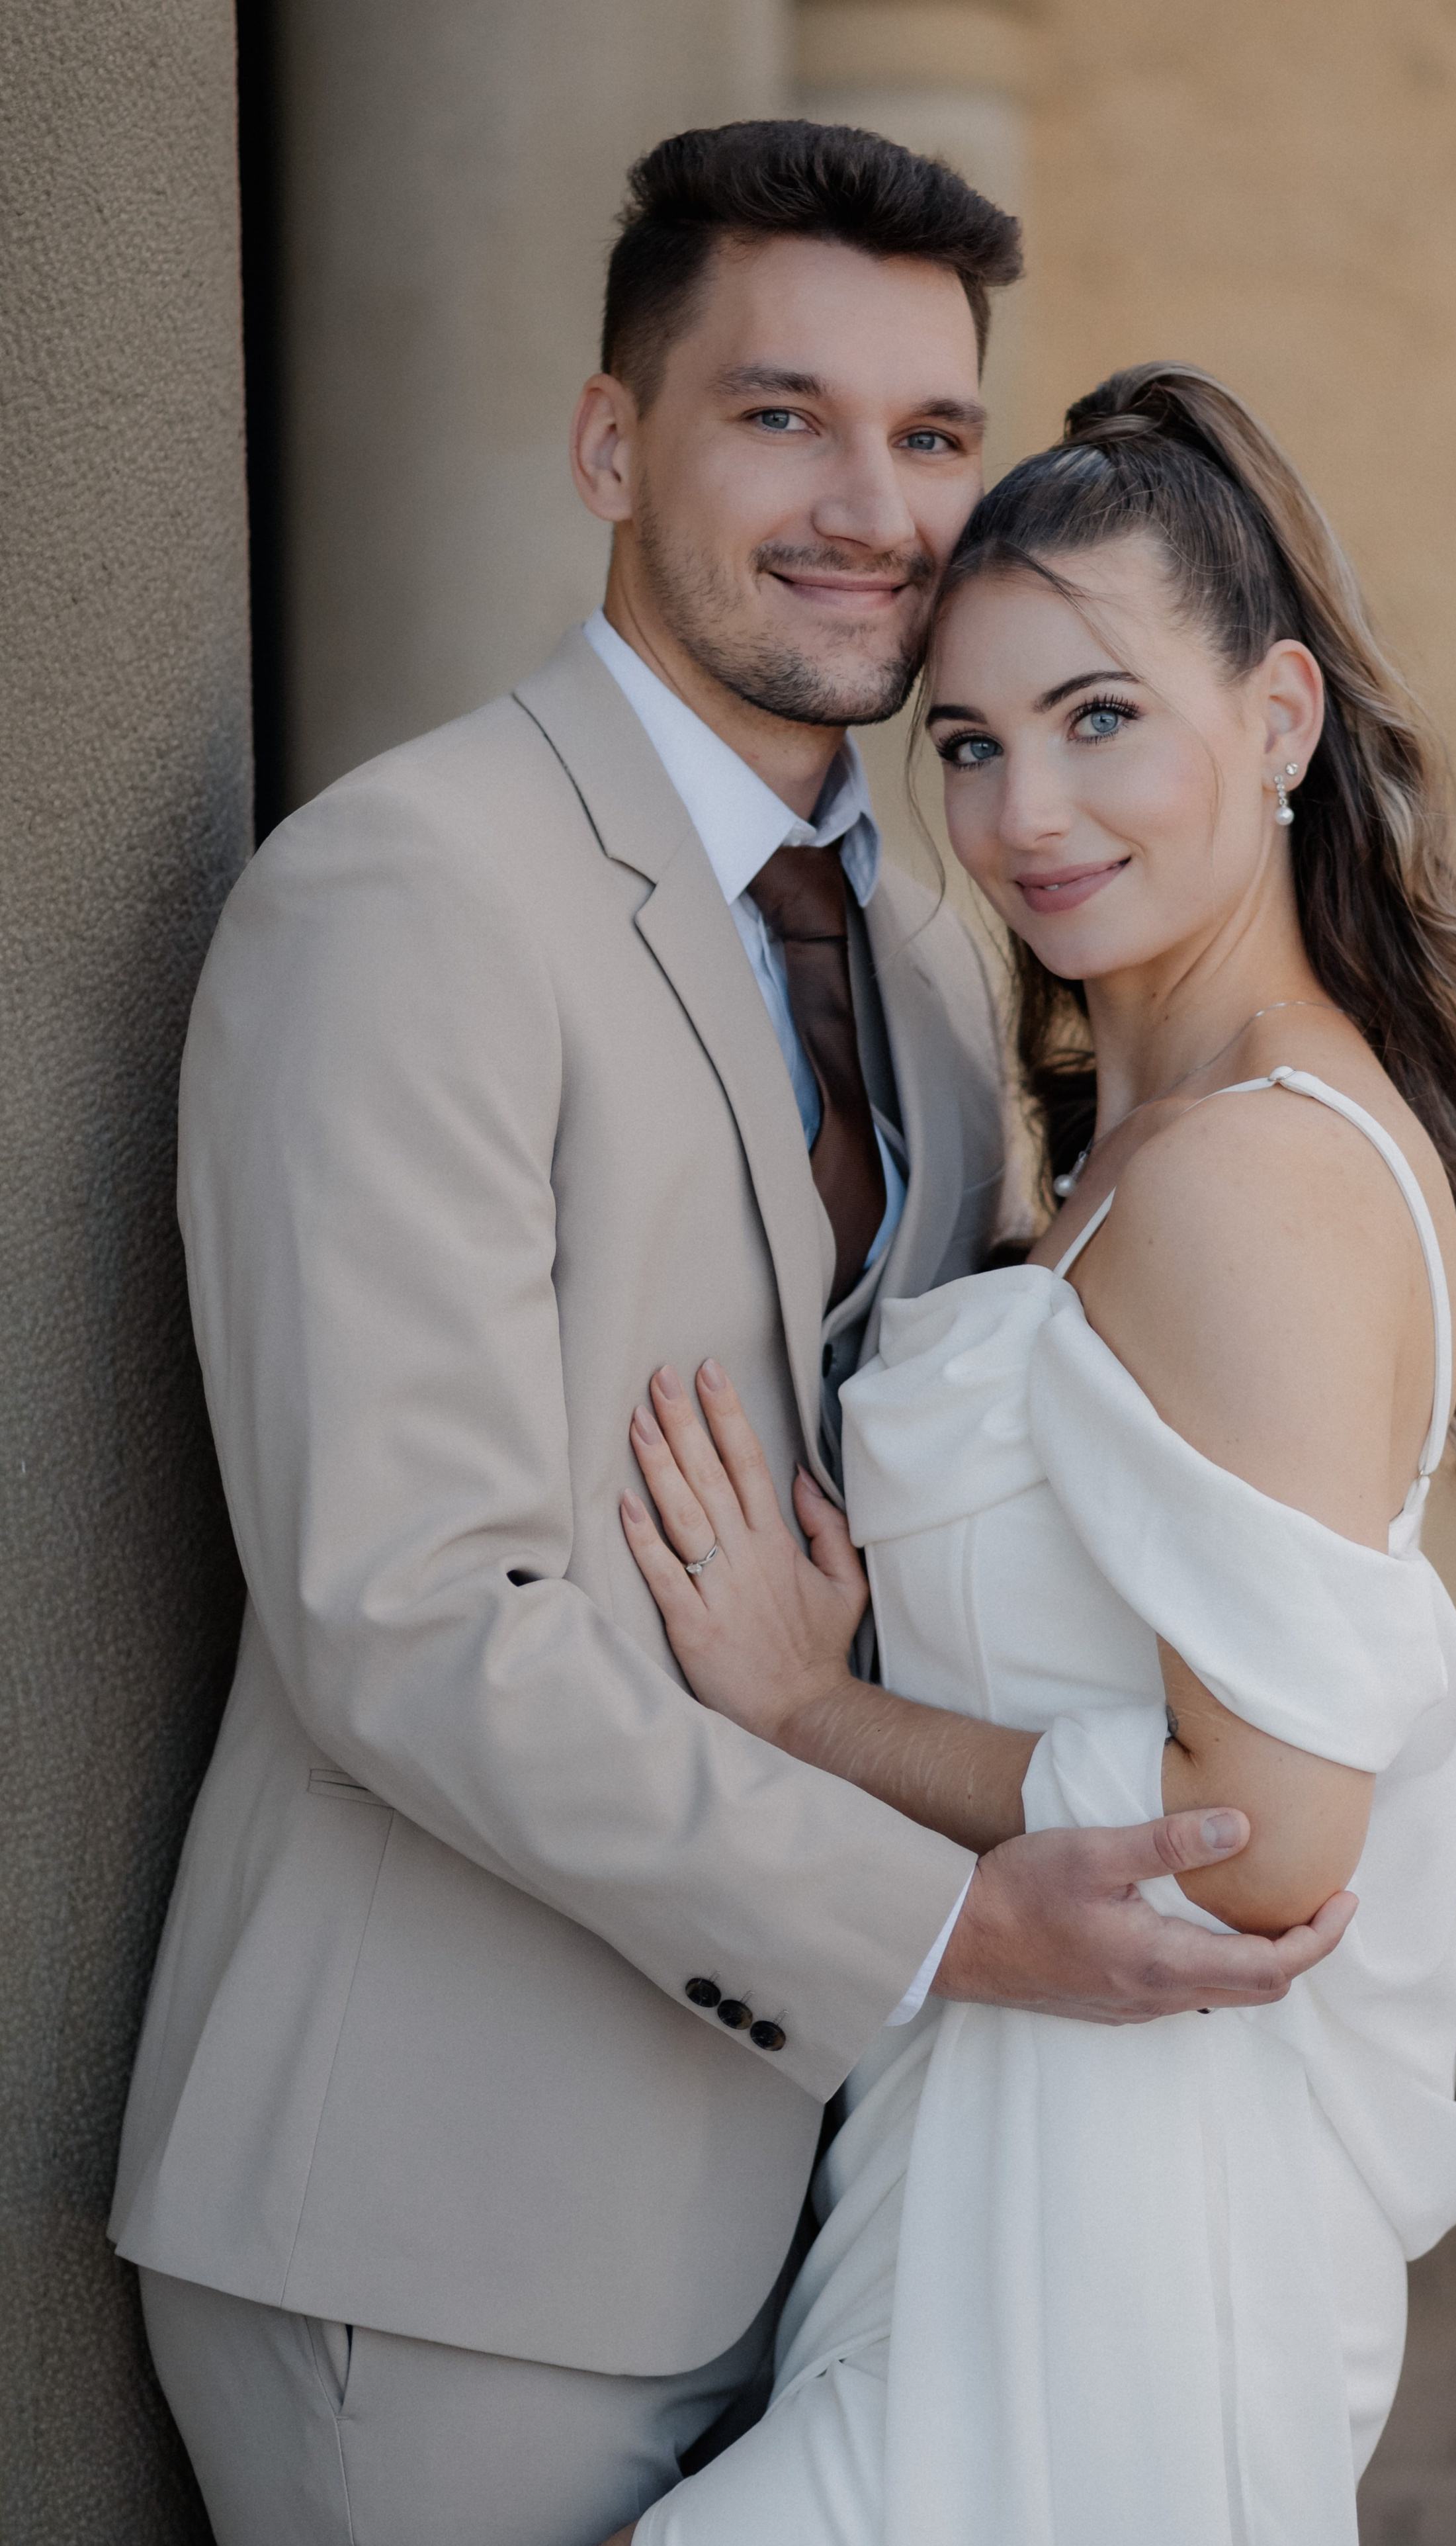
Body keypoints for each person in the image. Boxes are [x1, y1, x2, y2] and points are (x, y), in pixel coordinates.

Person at [110, 132, 1346, 2546]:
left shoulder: (931, 949)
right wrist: (948, 1923)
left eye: (930, 433)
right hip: (446, 2236)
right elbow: (403, 1616)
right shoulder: (405, 895)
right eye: (783, 417)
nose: (871, 508)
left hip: (820, 2212)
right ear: (611, 444)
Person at [605, 363, 1456, 2545]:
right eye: (968, 741)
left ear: (1280, 718)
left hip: (1129, 2210)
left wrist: (812, 1713)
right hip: (992, 2147)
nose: (1026, 810)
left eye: (1100, 718)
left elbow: (1266, 1840)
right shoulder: (1141, 1134)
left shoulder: (1252, 1175)